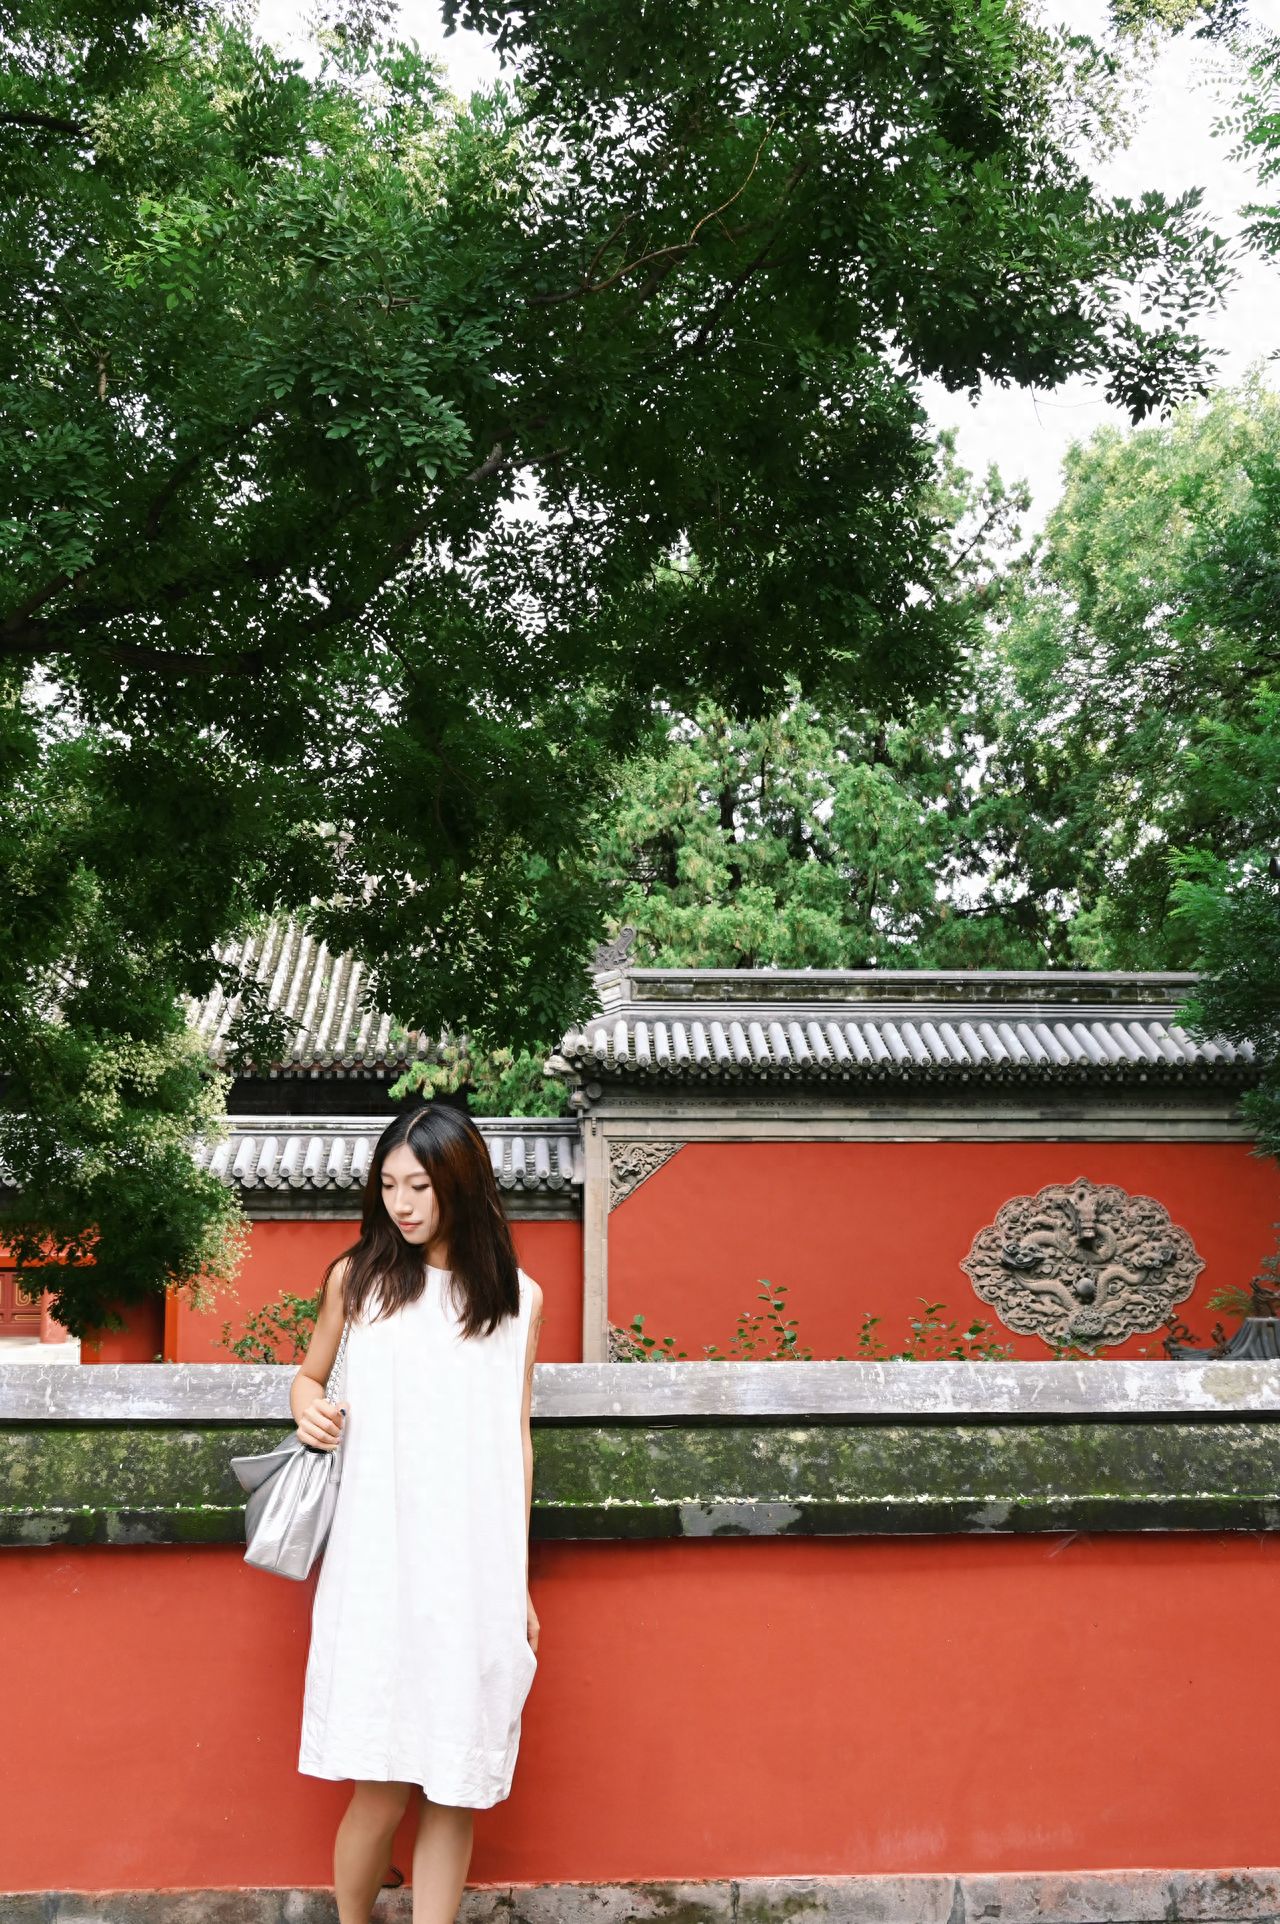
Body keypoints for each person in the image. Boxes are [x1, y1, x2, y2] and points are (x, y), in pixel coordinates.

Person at [289, 1101, 543, 1924]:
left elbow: (516, 1441)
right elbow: (309, 1376)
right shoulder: (357, 1280)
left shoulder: (516, 1302)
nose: (402, 1204)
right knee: (381, 1786)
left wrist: (521, 1585)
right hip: (379, 1566)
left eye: (420, 1186)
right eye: (390, 1185)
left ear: (459, 1186)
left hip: (472, 1572)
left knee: (454, 1786)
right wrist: (306, 1406)